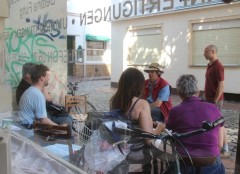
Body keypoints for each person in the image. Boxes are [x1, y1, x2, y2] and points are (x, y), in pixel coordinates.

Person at [166, 74, 225, 174]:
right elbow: (220, 144)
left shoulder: (174, 112)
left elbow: (170, 137)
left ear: (180, 94)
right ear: (197, 92)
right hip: (211, 164)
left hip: (185, 164)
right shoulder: (214, 108)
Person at [18, 64, 73, 130]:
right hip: (29, 128)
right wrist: (60, 129)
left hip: (25, 126)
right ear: (42, 78)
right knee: (66, 127)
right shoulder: (37, 95)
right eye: (48, 76)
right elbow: (44, 121)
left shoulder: (31, 91)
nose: (49, 78)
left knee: (66, 122)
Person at [203, 44, 230, 158]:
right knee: (215, 123)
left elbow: (221, 84)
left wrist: (215, 100)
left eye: (206, 51)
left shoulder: (218, 65)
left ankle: (225, 149)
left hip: (215, 100)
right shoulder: (210, 65)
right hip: (208, 99)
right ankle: (216, 145)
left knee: (220, 124)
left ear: (213, 52)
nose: (204, 53)